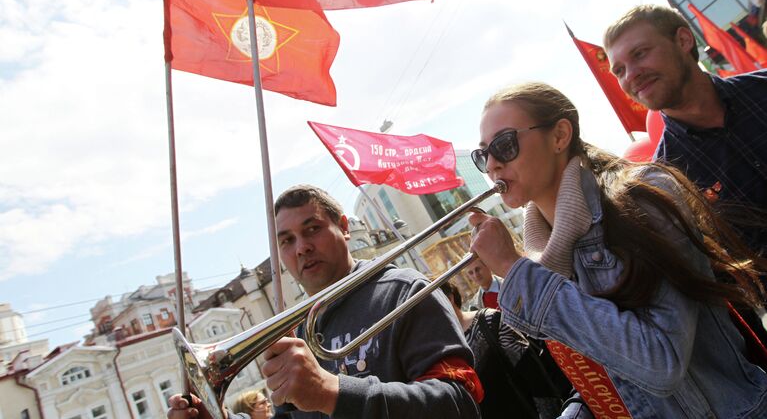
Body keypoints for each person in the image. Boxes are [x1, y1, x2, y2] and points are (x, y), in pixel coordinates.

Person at [468, 82, 767, 418]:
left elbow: (661, 361)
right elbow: (606, 373)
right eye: (483, 155)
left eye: (505, 145)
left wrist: (513, 268)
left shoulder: (641, 200)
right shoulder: (545, 255)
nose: (493, 164)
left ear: (559, 136)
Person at [168, 185, 482, 419]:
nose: (301, 247)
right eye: (287, 240)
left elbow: (461, 402)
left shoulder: (404, 290)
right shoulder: (294, 335)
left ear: (344, 228)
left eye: (312, 229)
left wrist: (331, 392)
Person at [603, 4, 767, 255]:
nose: (631, 75)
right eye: (619, 70)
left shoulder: (761, 90)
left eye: (639, 54)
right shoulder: (669, 183)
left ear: (683, 40)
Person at [440, 280, 572, 419]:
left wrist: (551, 415)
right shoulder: (441, 352)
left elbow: (534, 374)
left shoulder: (489, 321)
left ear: (449, 298)